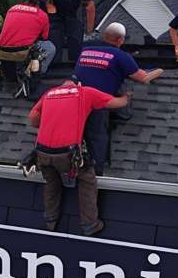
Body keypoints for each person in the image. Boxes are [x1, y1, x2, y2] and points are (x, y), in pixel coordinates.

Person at [28, 79, 130, 236]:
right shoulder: (84, 92)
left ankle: (50, 220)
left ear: (61, 86)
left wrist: (50, 123)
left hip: (42, 152)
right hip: (67, 154)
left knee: (51, 183)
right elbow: (114, 103)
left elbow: (33, 117)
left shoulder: (49, 93)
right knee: (87, 180)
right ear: (79, 84)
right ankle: (90, 224)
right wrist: (127, 97)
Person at [73, 22, 163, 173]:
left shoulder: (85, 50)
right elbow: (144, 78)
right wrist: (161, 70)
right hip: (96, 103)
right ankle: (97, 171)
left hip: (74, 100)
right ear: (121, 40)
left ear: (104, 36)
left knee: (74, 135)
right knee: (97, 137)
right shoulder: (121, 56)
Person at [0, 0, 56, 89]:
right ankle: (37, 72)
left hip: (1, 50)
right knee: (50, 47)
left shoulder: (12, 9)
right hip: (21, 52)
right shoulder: (42, 15)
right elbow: (44, 37)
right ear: (40, 0)